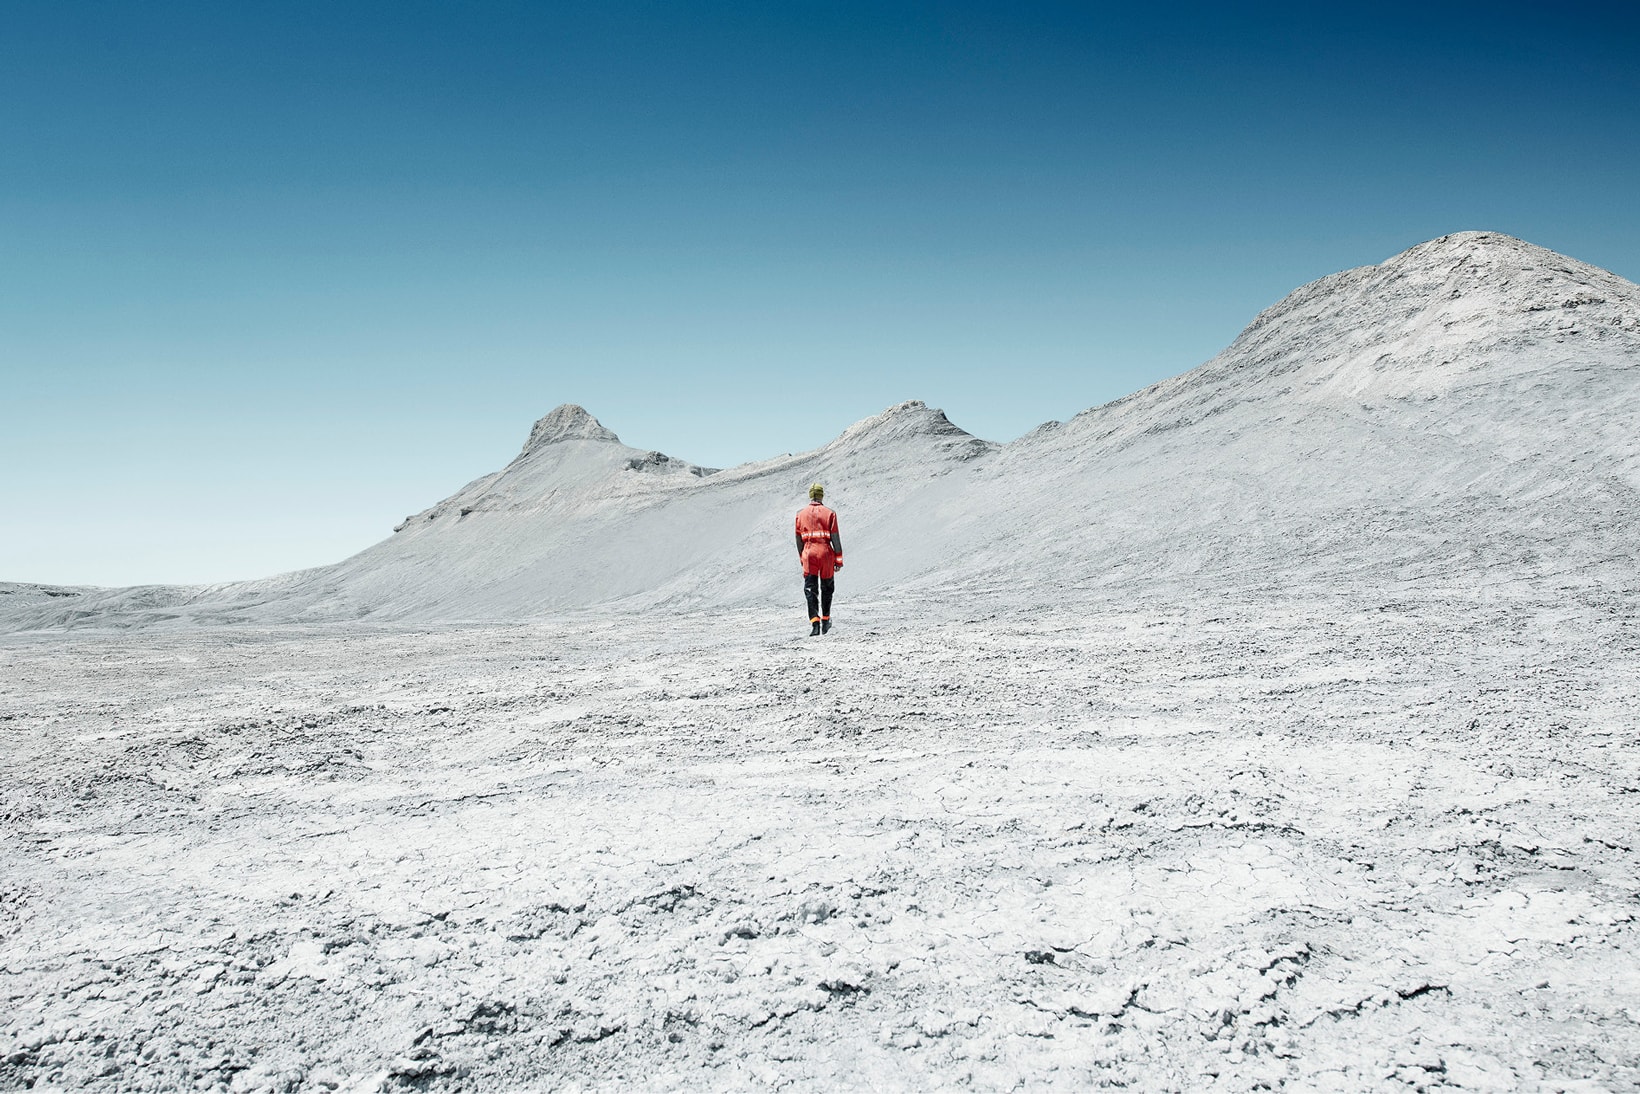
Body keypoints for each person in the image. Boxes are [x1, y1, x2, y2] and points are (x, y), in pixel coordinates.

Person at [795, 482, 843, 636]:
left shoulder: (800, 514)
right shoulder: (830, 513)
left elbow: (798, 539)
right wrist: (839, 560)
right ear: (821, 495)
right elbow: (835, 537)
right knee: (827, 588)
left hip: (809, 554)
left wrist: (802, 558)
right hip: (826, 553)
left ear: (810, 495)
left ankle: (814, 623)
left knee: (810, 589)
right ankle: (826, 620)